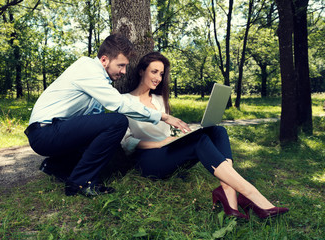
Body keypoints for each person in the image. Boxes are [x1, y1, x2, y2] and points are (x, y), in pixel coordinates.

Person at [121, 52, 289, 219]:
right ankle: (251, 193)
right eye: (154, 71)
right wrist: (160, 143)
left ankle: (228, 192)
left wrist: (181, 136)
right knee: (200, 141)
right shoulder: (125, 101)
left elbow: (165, 132)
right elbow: (126, 143)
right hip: (148, 161)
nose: (158, 77)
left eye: (161, 73)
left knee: (217, 131)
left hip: (168, 153)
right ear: (142, 71)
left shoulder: (159, 100)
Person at [24, 34, 190, 198]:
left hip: (58, 132)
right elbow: (119, 104)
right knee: (118, 121)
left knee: (116, 160)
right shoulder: (87, 69)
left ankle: (57, 166)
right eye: (121, 65)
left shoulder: (99, 81)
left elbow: (95, 122)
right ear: (104, 60)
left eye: (126, 66)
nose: (124, 71)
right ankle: (79, 182)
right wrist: (164, 117)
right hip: (45, 133)